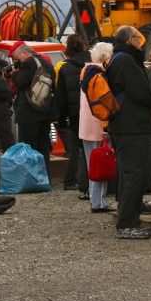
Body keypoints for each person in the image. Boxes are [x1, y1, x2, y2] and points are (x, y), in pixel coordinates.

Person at [106, 26, 151, 239]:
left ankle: (128, 218)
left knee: (127, 173)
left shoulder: (117, 58)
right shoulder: (126, 61)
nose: (141, 42)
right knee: (134, 174)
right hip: (132, 126)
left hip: (123, 125)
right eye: (138, 38)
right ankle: (127, 224)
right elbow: (140, 91)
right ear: (130, 40)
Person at [80, 41, 115, 213]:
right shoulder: (100, 75)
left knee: (91, 165)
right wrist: (106, 127)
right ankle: (98, 202)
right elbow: (102, 103)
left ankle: (97, 200)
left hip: (85, 126)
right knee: (101, 164)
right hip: (97, 125)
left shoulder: (85, 72)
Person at [56, 34, 91, 195]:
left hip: (75, 115)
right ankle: (92, 179)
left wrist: (62, 119)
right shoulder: (92, 64)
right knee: (92, 148)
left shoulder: (65, 68)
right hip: (92, 112)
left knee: (75, 148)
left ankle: (70, 180)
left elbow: (60, 97)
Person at [11, 42, 55, 166]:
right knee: (43, 147)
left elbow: (20, 82)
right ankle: (44, 179)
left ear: (25, 53)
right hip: (45, 111)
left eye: (17, 58)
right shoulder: (47, 64)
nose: (18, 61)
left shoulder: (29, 62)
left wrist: (14, 73)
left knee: (28, 148)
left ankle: (31, 179)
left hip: (29, 112)